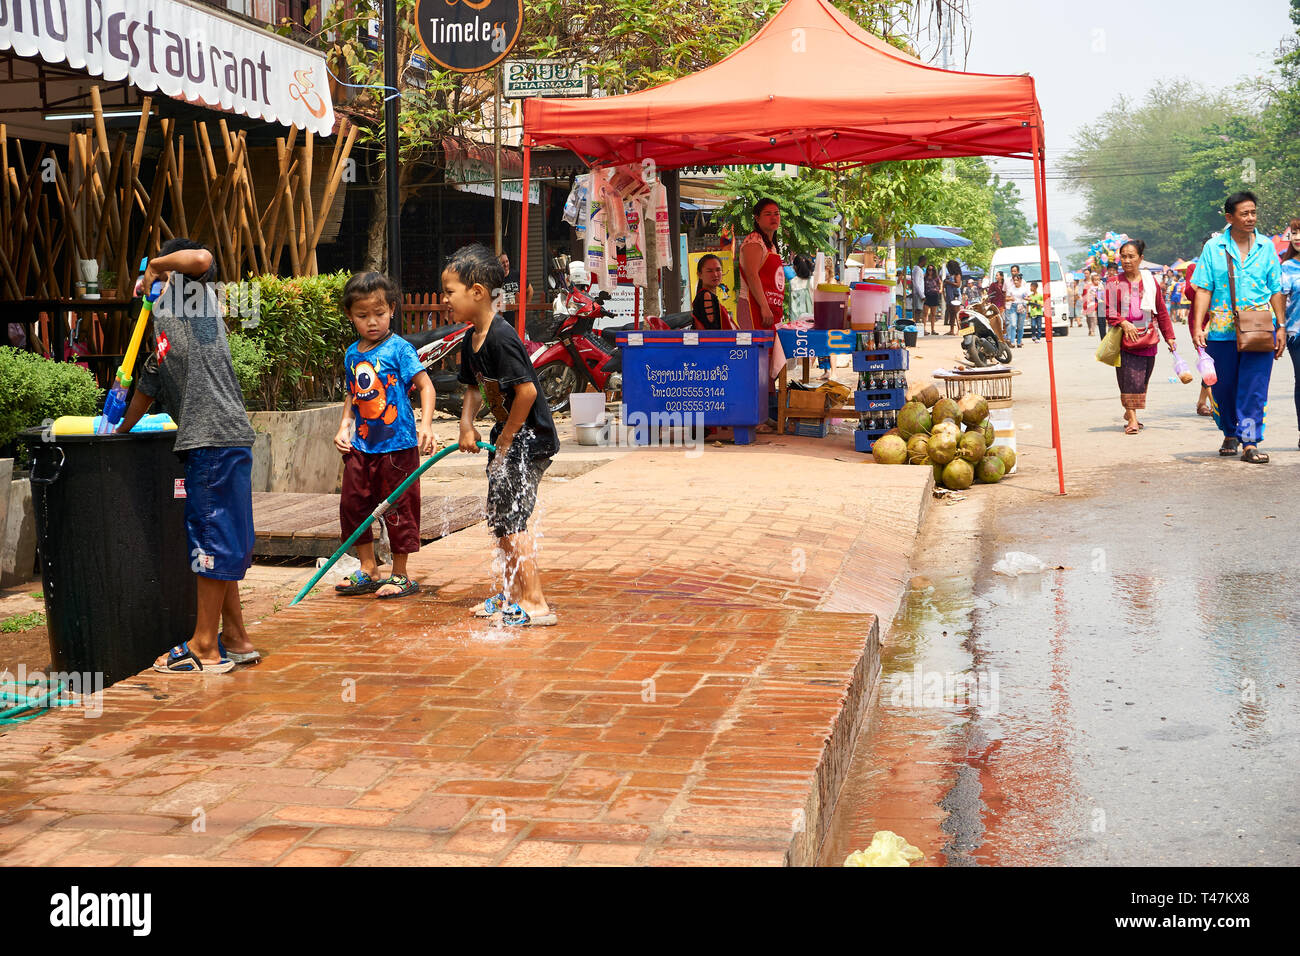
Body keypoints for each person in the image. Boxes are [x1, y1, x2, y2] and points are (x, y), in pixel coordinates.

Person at [117, 238, 259, 674]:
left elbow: (201, 258)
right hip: (213, 442)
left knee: (210, 544)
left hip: (213, 439)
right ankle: (234, 637)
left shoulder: (192, 299)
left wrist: (156, 267)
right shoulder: (165, 327)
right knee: (219, 540)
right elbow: (148, 386)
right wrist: (116, 430)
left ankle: (204, 647)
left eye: (153, 275)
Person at [452, 243, 560, 625]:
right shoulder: (472, 339)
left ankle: (535, 602)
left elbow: (528, 392)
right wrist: (466, 423)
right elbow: (472, 388)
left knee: (513, 518)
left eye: (451, 291)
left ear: (477, 292)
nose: (446, 299)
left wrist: (509, 436)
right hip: (508, 436)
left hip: (529, 440)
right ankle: (511, 593)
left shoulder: (501, 337)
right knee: (499, 517)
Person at [332, 272, 436, 600]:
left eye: (379, 314)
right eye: (363, 316)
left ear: (392, 309)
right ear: (350, 316)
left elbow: (425, 386)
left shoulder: (399, 349)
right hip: (361, 446)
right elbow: (353, 395)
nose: (372, 322)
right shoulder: (352, 354)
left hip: (398, 446)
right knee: (354, 503)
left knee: (398, 508)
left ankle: (401, 574)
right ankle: (368, 568)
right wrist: (343, 426)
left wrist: (427, 424)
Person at [1189, 191, 1286, 464]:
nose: (1250, 218)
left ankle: (1250, 442)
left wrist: (1280, 326)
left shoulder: (1266, 246)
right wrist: (1198, 326)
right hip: (1221, 330)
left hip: (1259, 327)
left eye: (1253, 212)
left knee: (1254, 387)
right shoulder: (1214, 248)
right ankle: (1230, 431)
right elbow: (1204, 289)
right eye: (1244, 213)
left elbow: (1276, 290)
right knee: (1224, 386)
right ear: (1229, 217)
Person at [1103, 239, 1177, 435]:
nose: (1126, 260)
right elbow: (1109, 310)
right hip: (1125, 340)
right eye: (1123, 257)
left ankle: (1130, 410)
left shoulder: (1150, 281)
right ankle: (1133, 419)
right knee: (1129, 379)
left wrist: (1170, 336)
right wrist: (1123, 322)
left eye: (1131, 256)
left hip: (1148, 338)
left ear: (1140, 258)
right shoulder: (1113, 282)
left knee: (1142, 379)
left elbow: (1161, 311)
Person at [737, 197, 785, 330]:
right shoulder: (754, 241)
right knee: (757, 349)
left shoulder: (771, 246)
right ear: (757, 219)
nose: (773, 218)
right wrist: (764, 307)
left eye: (776, 214)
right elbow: (752, 275)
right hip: (753, 307)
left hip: (770, 309)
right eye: (768, 214)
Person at [1280, 225, 1300, 449]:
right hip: (1297, 334)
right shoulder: (1287, 267)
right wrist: (1280, 329)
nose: (1297, 237)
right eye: (1294, 233)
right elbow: (1280, 301)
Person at [692, 253, 734, 331]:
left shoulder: (705, 295)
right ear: (699, 274)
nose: (715, 274)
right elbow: (712, 330)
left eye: (718, 270)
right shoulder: (706, 296)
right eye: (709, 271)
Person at [1005, 267, 1029, 347]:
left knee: (1020, 325)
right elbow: (1006, 298)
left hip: (1022, 306)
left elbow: (1028, 298)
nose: (1015, 282)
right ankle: (1012, 341)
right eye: (1014, 280)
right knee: (1013, 324)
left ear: (1020, 281)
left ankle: (1019, 341)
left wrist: (1026, 298)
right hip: (1013, 307)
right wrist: (1010, 298)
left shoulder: (1024, 289)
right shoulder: (1011, 288)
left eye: (1017, 280)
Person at [943, 260, 962, 334]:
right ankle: (951, 330)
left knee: (956, 313)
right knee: (951, 313)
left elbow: (957, 284)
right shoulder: (950, 276)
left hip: (955, 296)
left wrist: (948, 282)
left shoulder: (957, 275)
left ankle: (959, 329)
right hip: (949, 296)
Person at [923, 264, 941, 335]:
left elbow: (940, 283)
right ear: (927, 270)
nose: (930, 271)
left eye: (932, 270)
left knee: (933, 314)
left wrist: (940, 290)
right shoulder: (925, 277)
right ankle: (924, 330)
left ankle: (933, 330)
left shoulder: (936, 277)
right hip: (927, 296)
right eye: (929, 270)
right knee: (925, 313)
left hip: (934, 296)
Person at [1082, 270, 1100, 336]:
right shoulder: (1087, 285)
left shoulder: (1100, 286)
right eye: (1095, 280)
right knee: (1088, 317)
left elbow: (1101, 295)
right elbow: (1084, 294)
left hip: (1095, 303)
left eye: (1098, 280)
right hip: (1087, 303)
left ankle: (1092, 330)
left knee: (1093, 316)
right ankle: (1090, 328)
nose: (1097, 281)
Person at [911, 256, 927, 325]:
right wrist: (922, 295)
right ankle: (916, 324)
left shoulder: (918, 269)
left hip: (918, 292)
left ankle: (917, 324)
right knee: (918, 310)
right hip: (918, 293)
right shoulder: (917, 269)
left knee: (918, 310)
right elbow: (916, 283)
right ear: (923, 261)